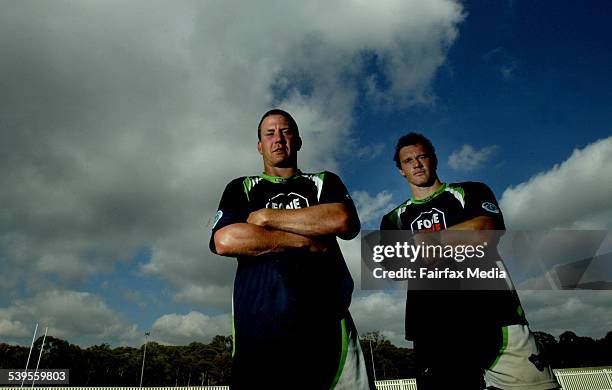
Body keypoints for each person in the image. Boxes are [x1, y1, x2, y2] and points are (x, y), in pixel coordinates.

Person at [380, 133, 559, 389]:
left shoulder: (471, 191)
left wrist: (425, 242)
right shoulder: (393, 218)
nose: (416, 164)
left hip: (494, 317)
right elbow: (393, 267)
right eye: (408, 161)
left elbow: (484, 230)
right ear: (401, 170)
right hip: (432, 328)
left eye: (422, 157)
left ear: (434, 160)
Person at [210, 109, 372, 389]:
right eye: (269, 133)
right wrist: (303, 240)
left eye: (285, 131)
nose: (278, 139)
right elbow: (226, 240)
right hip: (258, 338)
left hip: (329, 333)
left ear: (297, 141)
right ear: (260, 145)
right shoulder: (241, 188)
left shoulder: (323, 182)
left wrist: (266, 218)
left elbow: (343, 220)